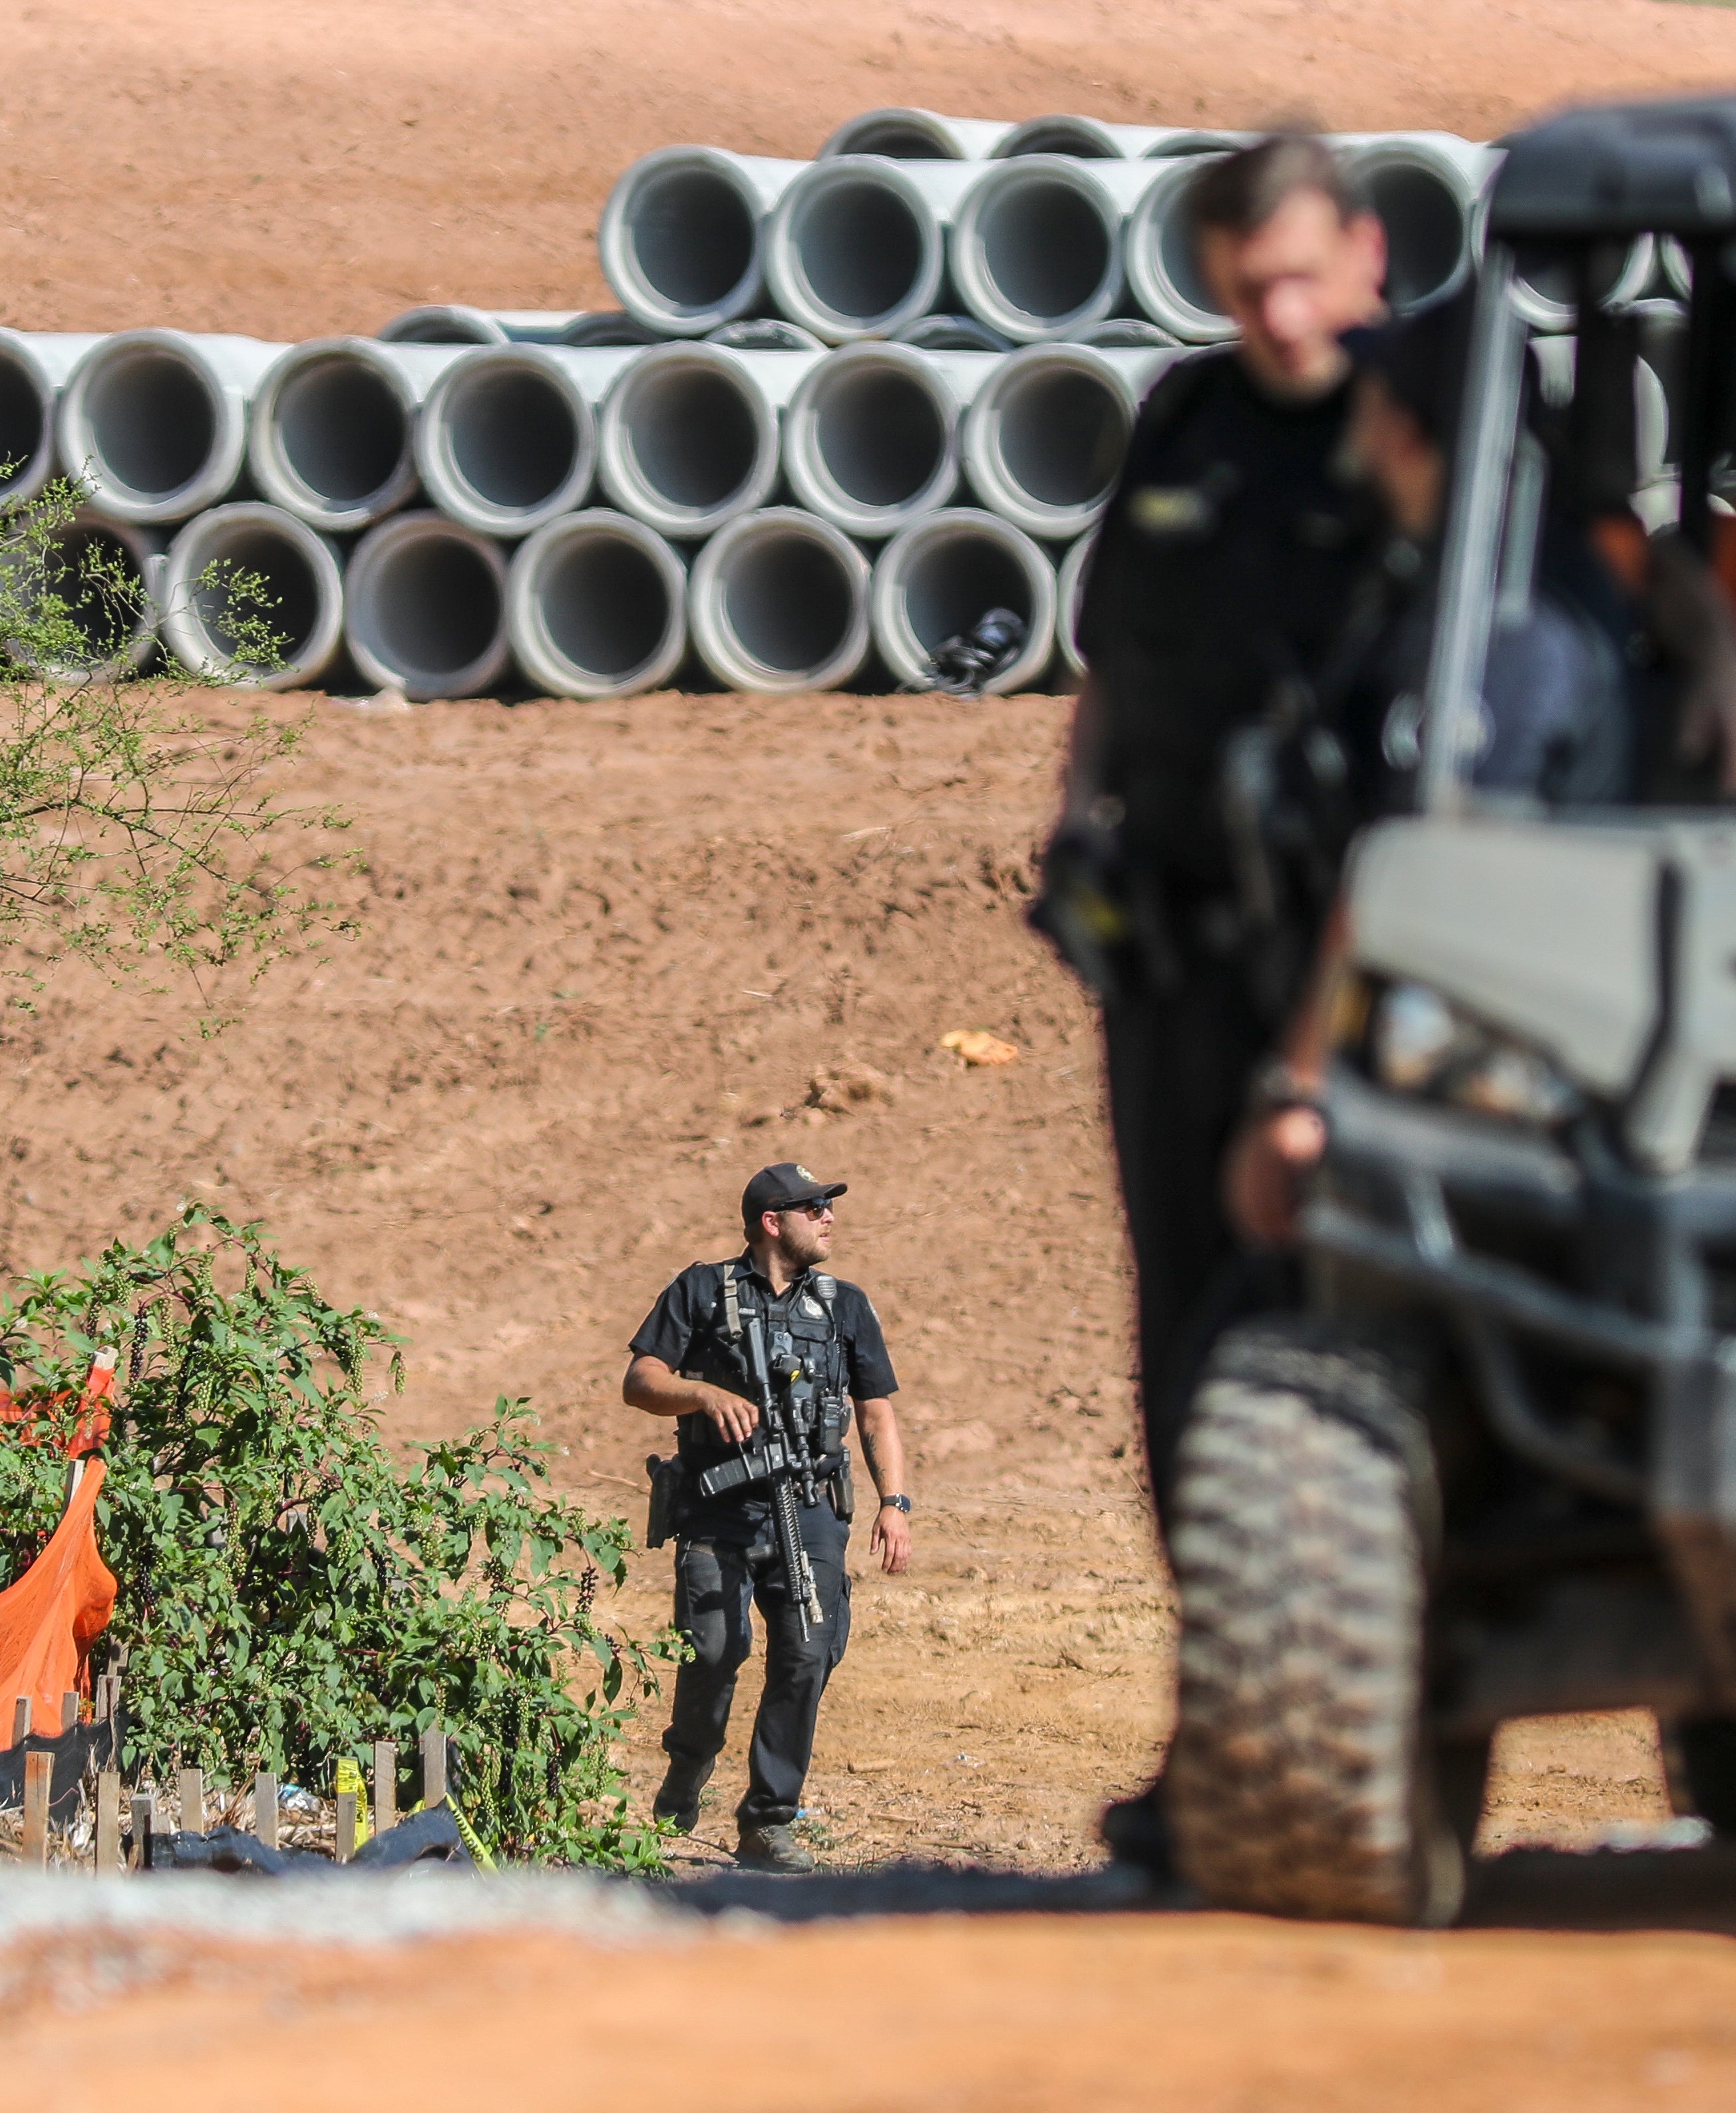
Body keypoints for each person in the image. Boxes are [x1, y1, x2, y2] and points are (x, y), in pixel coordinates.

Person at [1039, 132, 1389, 1866]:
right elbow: (1115, 655)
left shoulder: (1419, 440)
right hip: (1172, 960)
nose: (1281, 312)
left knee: (1317, 1346)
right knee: (1182, 1350)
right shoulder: (1187, 421)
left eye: (1304, 275)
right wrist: (1076, 816)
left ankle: (1353, 1736)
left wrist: (1314, 1060)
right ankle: (1231, 1738)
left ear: (1369, 256)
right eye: (1249, 283)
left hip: (1361, 982)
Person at [623, 1162, 910, 1874]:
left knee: (808, 1651)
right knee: (714, 1647)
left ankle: (768, 1819)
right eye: (814, 1207)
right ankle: (689, 1763)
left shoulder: (845, 1304)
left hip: (810, 1506)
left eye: (829, 1207)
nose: (828, 1218)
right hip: (718, 1506)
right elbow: (641, 1379)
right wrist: (699, 1395)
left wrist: (894, 1503)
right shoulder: (700, 1288)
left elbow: (875, 1409)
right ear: (770, 1221)